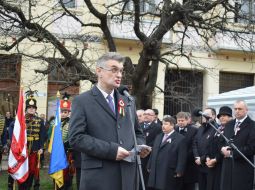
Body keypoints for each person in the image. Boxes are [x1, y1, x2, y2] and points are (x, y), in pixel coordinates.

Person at [68, 52, 147, 190]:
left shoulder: (127, 100)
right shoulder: (82, 101)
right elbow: (76, 138)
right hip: (100, 177)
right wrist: (111, 150)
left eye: (121, 71)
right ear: (99, 71)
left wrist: (139, 147)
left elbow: (137, 133)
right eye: (114, 70)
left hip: (128, 176)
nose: (119, 75)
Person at [221, 100, 255, 190]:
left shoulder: (252, 125)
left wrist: (232, 153)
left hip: (243, 169)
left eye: (240, 109)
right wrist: (222, 149)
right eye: (235, 109)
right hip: (227, 168)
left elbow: (252, 148)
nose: (237, 111)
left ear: (246, 110)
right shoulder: (229, 124)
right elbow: (223, 141)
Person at [147, 115, 187, 190]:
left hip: (168, 169)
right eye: (162, 124)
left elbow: (182, 156)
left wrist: (179, 170)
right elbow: (153, 152)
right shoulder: (159, 136)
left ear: (172, 125)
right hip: (156, 169)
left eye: (166, 124)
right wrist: (149, 165)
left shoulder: (180, 138)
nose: (163, 126)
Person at [19, 90, 46, 190]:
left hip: (35, 148)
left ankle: (30, 185)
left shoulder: (40, 120)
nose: (31, 109)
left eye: (33, 108)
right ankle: (22, 186)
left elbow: (43, 135)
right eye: (29, 107)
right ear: (26, 109)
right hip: (23, 148)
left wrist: (41, 147)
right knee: (22, 169)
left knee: (32, 169)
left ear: (35, 109)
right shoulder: (20, 120)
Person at [206, 106, 232, 190]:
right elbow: (209, 144)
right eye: (220, 116)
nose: (222, 117)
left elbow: (227, 148)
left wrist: (216, 159)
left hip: (222, 165)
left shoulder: (231, 129)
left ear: (230, 117)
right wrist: (207, 158)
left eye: (225, 115)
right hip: (211, 164)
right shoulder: (217, 128)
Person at [192, 107, 217, 190]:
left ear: (213, 116)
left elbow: (213, 148)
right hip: (199, 165)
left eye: (206, 115)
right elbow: (195, 143)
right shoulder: (200, 128)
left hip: (210, 165)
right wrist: (197, 157)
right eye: (203, 115)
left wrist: (201, 159)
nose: (204, 116)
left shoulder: (216, 129)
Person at [175, 112, 198, 190]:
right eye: (179, 120)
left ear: (187, 120)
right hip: (176, 164)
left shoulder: (194, 130)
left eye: (182, 120)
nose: (180, 122)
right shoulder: (174, 129)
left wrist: (184, 157)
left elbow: (194, 146)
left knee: (188, 186)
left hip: (189, 164)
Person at [59, 92, 75, 190]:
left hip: (68, 151)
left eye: (66, 112)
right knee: (58, 171)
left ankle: (67, 187)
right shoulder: (54, 123)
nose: (64, 114)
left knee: (68, 173)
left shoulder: (72, 123)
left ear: (69, 113)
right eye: (62, 111)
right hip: (58, 152)